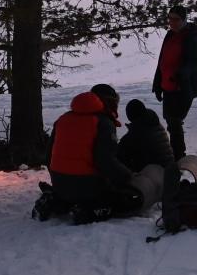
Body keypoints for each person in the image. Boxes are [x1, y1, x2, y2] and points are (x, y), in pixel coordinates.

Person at [47, 90, 135, 223]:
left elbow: (48, 154)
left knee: (69, 192)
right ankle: (90, 210)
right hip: (88, 186)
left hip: (58, 182)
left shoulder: (63, 119)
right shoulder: (103, 123)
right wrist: (127, 177)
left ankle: (59, 202)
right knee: (119, 199)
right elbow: (105, 161)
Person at [151, 3, 197, 158]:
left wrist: (180, 74)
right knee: (170, 121)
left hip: (183, 87)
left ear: (184, 20)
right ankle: (175, 153)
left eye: (175, 19)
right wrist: (157, 84)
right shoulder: (170, 35)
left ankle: (178, 156)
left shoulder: (191, 38)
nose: (171, 22)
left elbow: (193, 63)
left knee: (174, 122)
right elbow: (162, 61)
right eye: (169, 18)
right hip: (167, 85)